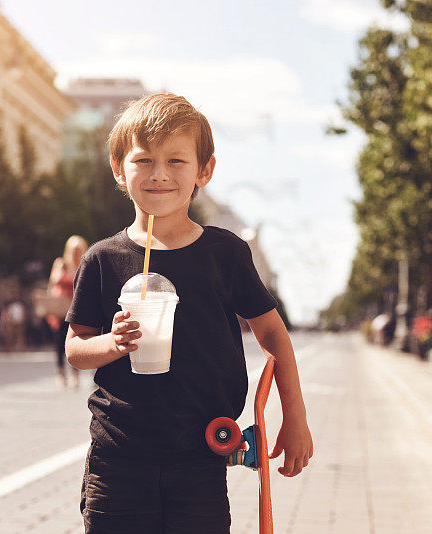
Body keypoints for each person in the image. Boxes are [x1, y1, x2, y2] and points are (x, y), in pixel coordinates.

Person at [64, 93, 313, 533]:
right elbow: (76, 347)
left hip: (201, 457)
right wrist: (112, 343)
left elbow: (272, 334)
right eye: (143, 161)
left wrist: (294, 417)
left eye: (176, 161)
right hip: (118, 460)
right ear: (119, 169)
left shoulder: (225, 253)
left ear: (205, 170)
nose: (160, 174)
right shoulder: (103, 258)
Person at [46, 235, 88, 389]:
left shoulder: (85, 263)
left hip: (76, 309)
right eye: (74, 250)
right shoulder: (61, 263)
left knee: (76, 341)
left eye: (79, 249)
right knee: (59, 343)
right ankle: (60, 373)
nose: (76, 253)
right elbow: (54, 280)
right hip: (60, 310)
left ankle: (75, 375)